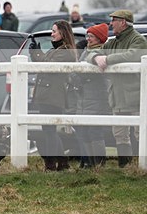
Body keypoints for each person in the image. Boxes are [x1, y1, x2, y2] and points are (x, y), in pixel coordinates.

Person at [85, 10, 147, 166]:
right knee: (119, 133)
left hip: (136, 95)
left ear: (123, 22)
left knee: (140, 132)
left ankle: (141, 167)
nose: (111, 24)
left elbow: (132, 56)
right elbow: (91, 53)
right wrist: (96, 57)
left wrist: (107, 59)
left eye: (114, 20)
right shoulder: (112, 42)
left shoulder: (138, 40)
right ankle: (125, 166)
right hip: (117, 95)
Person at [29, 20, 77, 171]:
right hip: (47, 95)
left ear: (63, 33)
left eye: (54, 31)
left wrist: (37, 53)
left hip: (53, 96)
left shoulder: (66, 51)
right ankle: (62, 163)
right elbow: (43, 62)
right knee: (49, 130)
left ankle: (51, 164)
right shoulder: (56, 49)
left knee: (49, 131)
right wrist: (35, 53)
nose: (52, 34)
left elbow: (47, 65)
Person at [69, 23, 110, 168]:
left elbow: (89, 73)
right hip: (82, 97)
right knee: (83, 131)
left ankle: (99, 164)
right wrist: (76, 76)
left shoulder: (102, 52)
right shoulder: (86, 51)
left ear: (99, 38)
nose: (88, 39)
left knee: (94, 131)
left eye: (91, 36)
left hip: (96, 97)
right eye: (88, 36)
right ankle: (91, 163)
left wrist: (78, 76)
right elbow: (77, 68)